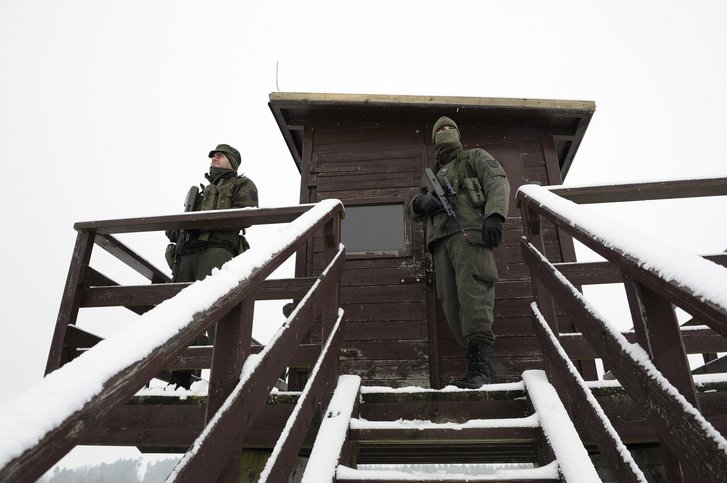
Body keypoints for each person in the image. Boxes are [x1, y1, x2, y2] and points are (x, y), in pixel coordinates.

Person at [406, 116, 510, 389]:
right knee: (450, 304)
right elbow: (410, 210)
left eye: (450, 128)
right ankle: (474, 366)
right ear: (434, 139)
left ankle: (482, 370)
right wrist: (421, 202)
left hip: (469, 236)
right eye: (440, 129)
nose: (446, 131)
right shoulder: (431, 176)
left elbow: (497, 182)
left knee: (474, 297)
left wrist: (495, 216)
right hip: (440, 243)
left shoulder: (475, 157)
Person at [165, 143, 258, 388]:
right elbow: (178, 226)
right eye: (213, 156)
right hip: (186, 254)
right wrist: (174, 227)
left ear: (233, 162)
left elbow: (247, 214)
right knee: (181, 315)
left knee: (217, 312)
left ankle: (225, 376)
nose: (214, 158)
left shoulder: (242, 185)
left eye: (220, 155)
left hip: (217, 251)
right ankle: (179, 377)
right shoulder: (200, 192)